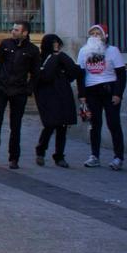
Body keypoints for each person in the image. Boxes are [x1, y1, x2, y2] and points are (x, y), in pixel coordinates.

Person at [0, 20, 40, 168]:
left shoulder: (32, 50)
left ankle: (14, 157)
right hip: (0, 89)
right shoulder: (5, 44)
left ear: (25, 32)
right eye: (13, 29)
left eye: (16, 30)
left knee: (16, 125)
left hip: (19, 91)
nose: (13, 32)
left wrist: (28, 89)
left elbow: (35, 74)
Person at [77, 23, 127, 170]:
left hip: (109, 90)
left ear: (104, 36)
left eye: (97, 34)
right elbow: (81, 75)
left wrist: (118, 94)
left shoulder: (113, 51)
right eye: (92, 34)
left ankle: (118, 157)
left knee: (114, 124)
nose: (94, 37)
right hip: (92, 92)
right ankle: (94, 156)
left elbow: (121, 74)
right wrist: (82, 96)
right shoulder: (84, 51)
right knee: (94, 125)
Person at [34, 34, 81, 168]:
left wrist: (64, 74)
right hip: (46, 95)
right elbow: (46, 75)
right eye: (53, 43)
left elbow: (74, 70)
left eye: (57, 43)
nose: (56, 46)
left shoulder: (62, 57)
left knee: (62, 126)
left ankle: (59, 155)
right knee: (50, 124)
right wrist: (55, 57)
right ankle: (41, 150)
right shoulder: (42, 58)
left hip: (62, 93)